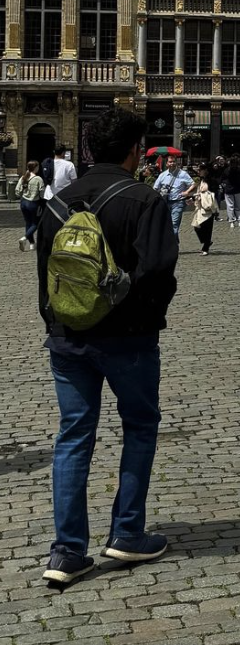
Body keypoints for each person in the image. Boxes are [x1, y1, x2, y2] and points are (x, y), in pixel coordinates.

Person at [36, 108, 178, 585]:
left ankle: (67, 551)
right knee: (139, 427)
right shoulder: (143, 200)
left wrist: (57, 323)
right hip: (129, 340)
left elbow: (46, 277)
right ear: (136, 151)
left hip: (68, 338)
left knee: (74, 436)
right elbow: (158, 272)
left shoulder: (59, 202)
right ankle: (126, 533)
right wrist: (146, 313)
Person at [152, 156, 195, 241]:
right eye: (170, 162)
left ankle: (171, 245)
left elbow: (193, 184)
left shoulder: (182, 174)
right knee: (166, 224)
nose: (172, 164)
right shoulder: (162, 175)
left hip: (178, 202)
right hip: (165, 202)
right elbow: (155, 188)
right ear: (167, 163)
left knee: (174, 224)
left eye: (174, 162)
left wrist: (187, 192)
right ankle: (175, 242)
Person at [189, 162, 219, 255]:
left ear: (206, 170)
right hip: (200, 207)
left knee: (207, 228)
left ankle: (206, 247)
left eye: (200, 169)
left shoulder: (211, 180)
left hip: (209, 206)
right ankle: (206, 242)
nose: (199, 171)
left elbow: (210, 194)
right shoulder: (201, 180)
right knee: (196, 226)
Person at [15, 160, 45, 251]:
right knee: (36, 223)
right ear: (35, 168)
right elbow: (42, 193)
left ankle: (32, 244)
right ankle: (24, 238)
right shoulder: (38, 179)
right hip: (33, 203)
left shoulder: (23, 177)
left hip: (23, 202)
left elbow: (17, 191)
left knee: (28, 223)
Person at [222, 155, 240, 229]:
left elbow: (223, 178)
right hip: (238, 188)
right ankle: (239, 220)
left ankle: (232, 221)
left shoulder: (227, 170)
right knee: (238, 206)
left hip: (229, 189)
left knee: (230, 206)